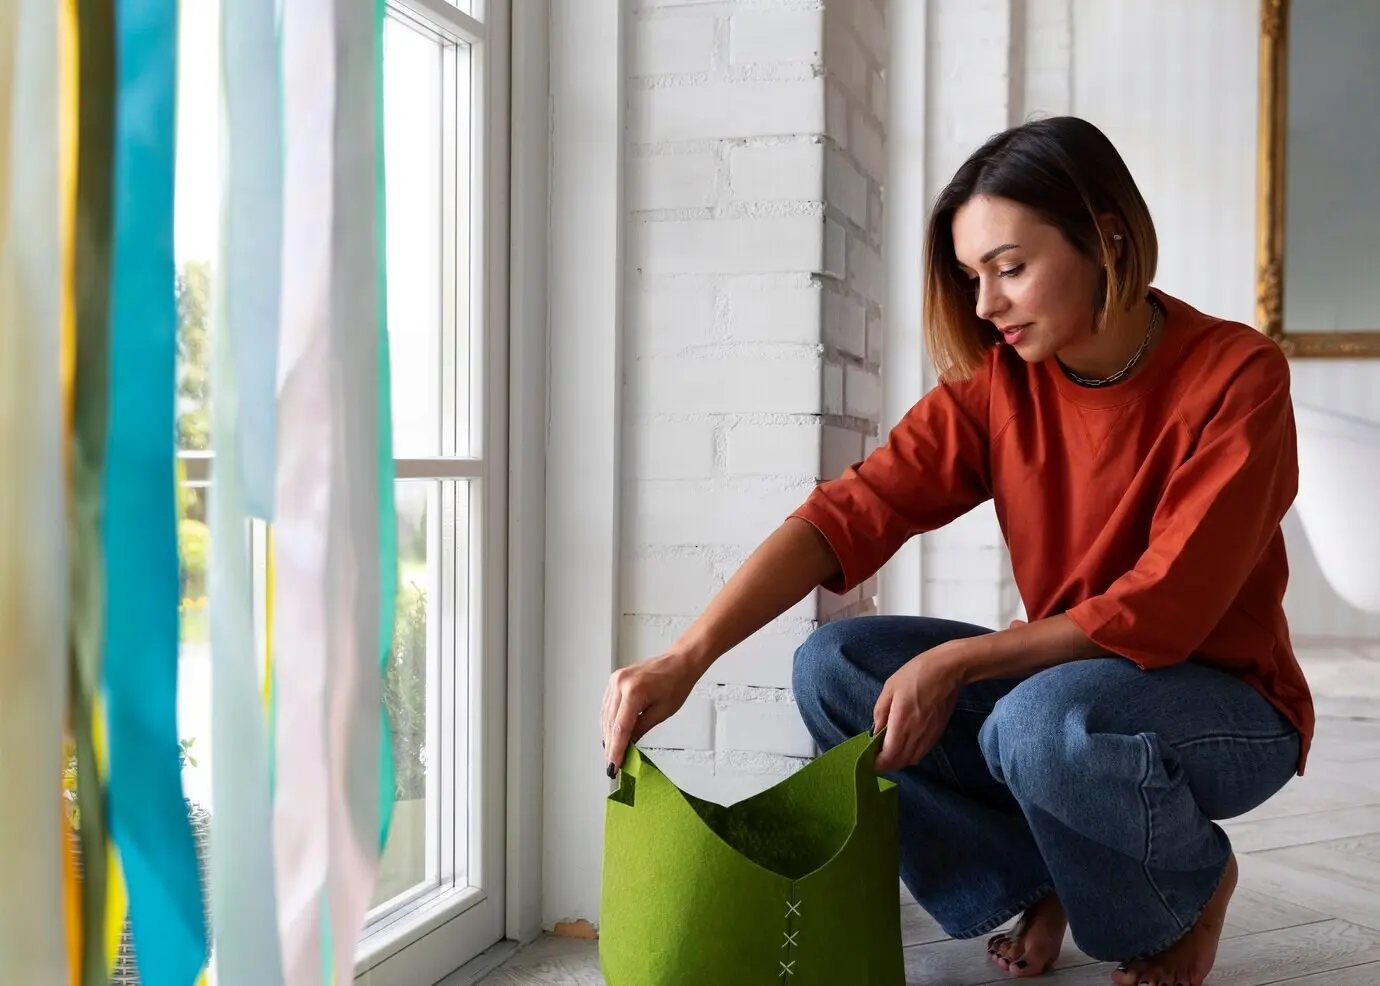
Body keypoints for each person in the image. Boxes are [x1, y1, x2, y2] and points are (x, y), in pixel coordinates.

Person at [599, 116, 1313, 986]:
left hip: (1229, 706)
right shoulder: (998, 386)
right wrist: (686, 657)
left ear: (1107, 237)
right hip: (1072, 686)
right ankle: (1041, 877)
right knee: (837, 665)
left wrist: (962, 663)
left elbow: (1164, 606)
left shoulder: (1238, 376)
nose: (985, 304)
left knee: (1038, 722)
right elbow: (850, 512)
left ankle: (1185, 892)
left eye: (1010, 268)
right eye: (974, 276)